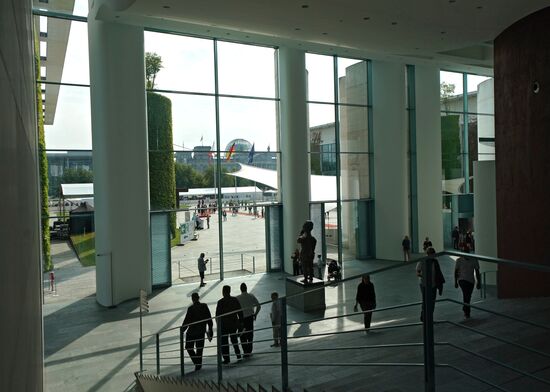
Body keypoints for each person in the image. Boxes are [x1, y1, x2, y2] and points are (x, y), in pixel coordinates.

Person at [181, 292, 213, 371]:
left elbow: (187, 321)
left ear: (192, 299)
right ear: (198, 298)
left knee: (188, 347)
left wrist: (182, 330)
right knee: (199, 349)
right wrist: (210, 328)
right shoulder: (204, 306)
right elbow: (209, 318)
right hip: (201, 331)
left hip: (191, 332)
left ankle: (197, 363)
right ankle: (198, 364)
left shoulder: (191, 308)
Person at [215, 285, 244, 364]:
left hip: (224, 325)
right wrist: (241, 323)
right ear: (229, 291)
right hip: (233, 324)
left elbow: (217, 315)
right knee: (234, 340)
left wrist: (218, 325)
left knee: (224, 342)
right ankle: (238, 355)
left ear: (223, 292)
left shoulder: (220, 302)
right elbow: (240, 312)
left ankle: (226, 358)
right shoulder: (234, 300)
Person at [416, 247, 445, 322]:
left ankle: (429, 318)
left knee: (432, 302)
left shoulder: (435, 262)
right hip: (424, 284)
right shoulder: (422, 261)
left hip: (433, 285)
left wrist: (439, 285)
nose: (434, 256)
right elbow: (418, 272)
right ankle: (424, 316)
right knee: (426, 301)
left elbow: (438, 273)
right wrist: (424, 276)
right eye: (433, 255)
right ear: (428, 254)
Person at [454, 246, 481, 319]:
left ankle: (465, 307)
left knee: (468, 295)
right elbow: (456, 271)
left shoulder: (474, 259)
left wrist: (479, 282)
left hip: (471, 281)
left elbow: (477, 271)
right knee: (466, 294)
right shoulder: (459, 260)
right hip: (462, 280)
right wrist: (456, 282)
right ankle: (467, 311)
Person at [236, 283, 261, 358]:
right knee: (250, 335)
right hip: (250, 318)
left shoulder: (237, 298)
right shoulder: (251, 296)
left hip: (242, 319)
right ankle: (249, 351)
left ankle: (245, 352)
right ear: (246, 288)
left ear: (241, 289)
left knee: (242, 335)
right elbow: (259, 306)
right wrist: (255, 314)